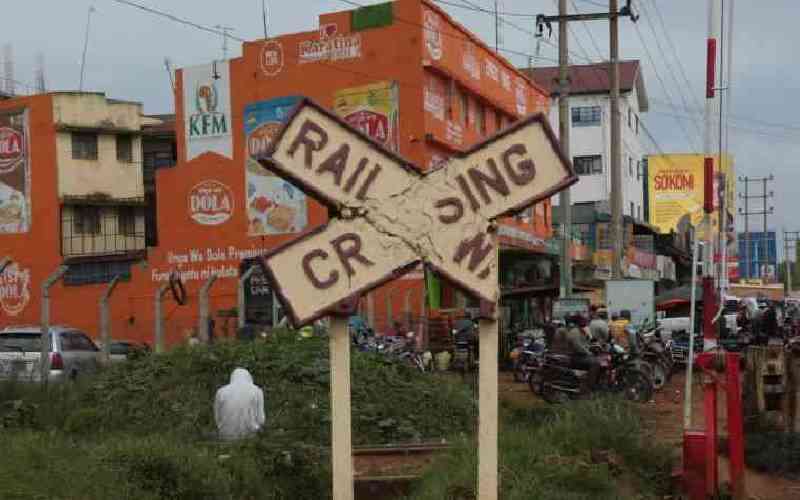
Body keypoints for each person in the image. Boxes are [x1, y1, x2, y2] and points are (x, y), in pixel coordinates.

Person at [214, 368, 266, 441]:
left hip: (226, 436)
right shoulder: (257, 391)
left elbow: (217, 418)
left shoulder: (221, 392)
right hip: (250, 436)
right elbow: (261, 419)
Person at [554, 315, 600, 391]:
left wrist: (590, 347)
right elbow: (578, 347)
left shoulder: (578, 331)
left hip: (575, 355)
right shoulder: (575, 332)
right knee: (595, 363)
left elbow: (584, 343)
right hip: (575, 357)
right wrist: (588, 352)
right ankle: (591, 385)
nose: (585, 323)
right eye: (583, 321)